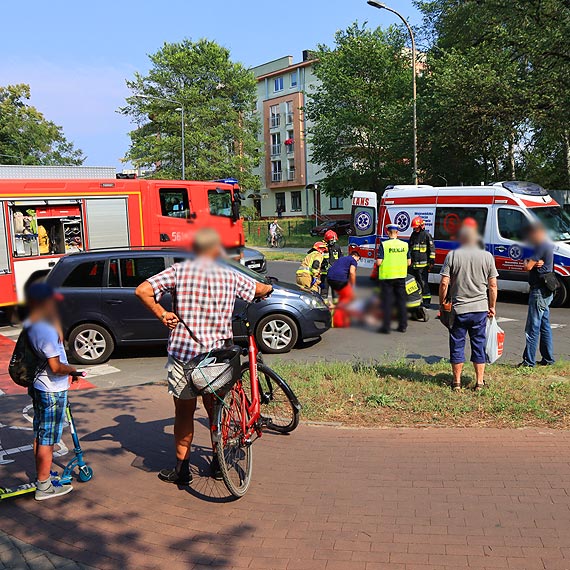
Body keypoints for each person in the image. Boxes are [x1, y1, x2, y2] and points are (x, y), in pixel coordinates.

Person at [135, 228, 273, 485]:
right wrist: (268, 288)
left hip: (184, 355)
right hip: (216, 359)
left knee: (184, 413)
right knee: (215, 411)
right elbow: (259, 288)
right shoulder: (229, 275)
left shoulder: (178, 272)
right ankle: (219, 463)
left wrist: (162, 314)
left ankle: (182, 470)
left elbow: (142, 290)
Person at [25, 283, 79, 500]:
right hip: (52, 390)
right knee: (48, 438)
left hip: (39, 385)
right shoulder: (45, 330)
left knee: (40, 433)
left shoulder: (32, 323)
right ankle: (44, 486)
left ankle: (43, 476)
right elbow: (56, 367)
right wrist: (74, 370)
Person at [439, 225, 498, 391]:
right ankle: (479, 382)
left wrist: (442, 303)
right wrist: (491, 306)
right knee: (479, 344)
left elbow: (444, 282)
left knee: (457, 344)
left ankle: (456, 382)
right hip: (480, 308)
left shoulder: (453, 256)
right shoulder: (487, 257)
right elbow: (493, 286)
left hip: (458, 309)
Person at [520, 223, 556, 367]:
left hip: (539, 291)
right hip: (547, 289)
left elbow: (527, 266)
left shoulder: (540, 246)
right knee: (544, 325)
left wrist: (529, 262)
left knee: (532, 327)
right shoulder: (547, 245)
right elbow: (529, 263)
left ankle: (528, 362)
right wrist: (532, 262)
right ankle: (548, 359)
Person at [377, 224, 411, 334]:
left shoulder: (384, 245)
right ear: (397, 233)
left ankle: (386, 327)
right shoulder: (405, 245)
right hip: (400, 276)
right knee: (401, 301)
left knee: (387, 302)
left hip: (387, 277)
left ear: (388, 232)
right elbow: (409, 262)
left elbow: (379, 262)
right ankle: (403, 326)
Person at [327, 251, 361, 327]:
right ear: (355, 256)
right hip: (340, 280)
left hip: (330, 279)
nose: (357, 261)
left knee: (342, 297)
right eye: (358, 259)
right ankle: (336, 319)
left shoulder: (342, 259)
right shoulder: (353, 260)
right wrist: (353, 286)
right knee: (348, 298)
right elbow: (352, 272)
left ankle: (333, 307)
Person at [408, 216, 435, 308]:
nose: (414, 229)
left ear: (421, 226)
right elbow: (410, 248)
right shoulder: (413, 235)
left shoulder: (426, 235)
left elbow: (432, 249)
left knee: (423, 284)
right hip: (413, 265)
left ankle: (427, 301)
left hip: (423, 266)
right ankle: (415, 300)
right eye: (414, 227)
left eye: (416, 227)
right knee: (413, 283)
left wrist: (431, 262)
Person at [320, 230, 343, 303]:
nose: (333, 242)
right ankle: (324, 307)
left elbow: (341, 258)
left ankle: (336, 308)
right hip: (325, 274)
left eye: (334, 240)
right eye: (331, 240)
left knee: (335, 292)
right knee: (324, 291)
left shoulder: (337, 247)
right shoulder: (322, 247)